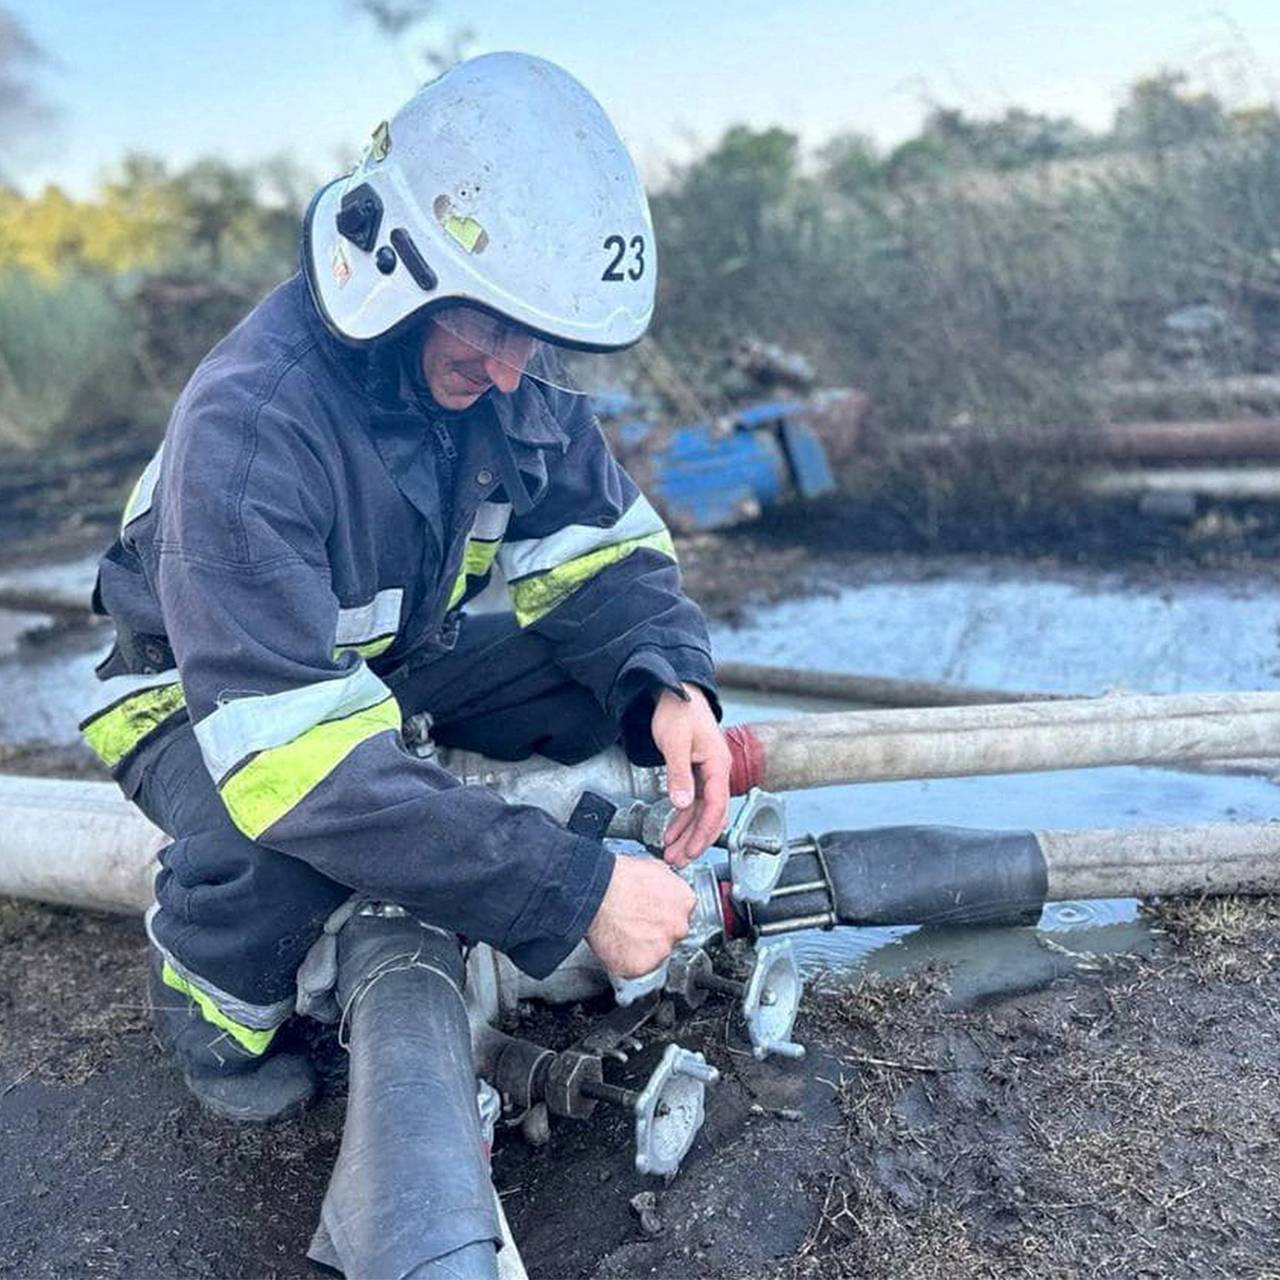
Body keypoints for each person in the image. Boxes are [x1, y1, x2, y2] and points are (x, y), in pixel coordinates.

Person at [80, 49, 730, 1141]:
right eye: (489, 332)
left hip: (378, 668)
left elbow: (600, 556)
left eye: (535, 337)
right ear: (395, 275)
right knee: (274, 846)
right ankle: (209, 997)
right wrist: (566, 892)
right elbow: (293, 760)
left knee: (594, 688)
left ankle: (432, 821)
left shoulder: (505, 372)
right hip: (201, 697)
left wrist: (670, 687)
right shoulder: (252, 428)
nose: (516, 372)